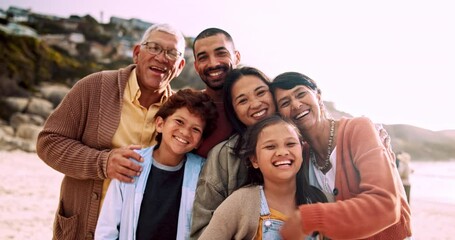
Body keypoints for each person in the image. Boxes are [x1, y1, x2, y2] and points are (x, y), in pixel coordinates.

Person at [36, 23, 186, 239]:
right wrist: (103, 163)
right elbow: (48, 142)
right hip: (82, 227)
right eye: (154, 47)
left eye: (171, 53)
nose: (161, 58)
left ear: (180, 66)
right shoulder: (93, 87)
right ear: (137, 53)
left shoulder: (179, 112)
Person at [270, 72, 412, 239]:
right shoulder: (302, 155)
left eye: (301, 94)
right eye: (285, 102)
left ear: (318, 96)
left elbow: (386, 206)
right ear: (281, 116)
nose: (295, 104)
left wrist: (309, 218)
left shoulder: (358, 129)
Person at [95, 89, 218, 240]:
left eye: (195, 129)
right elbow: (107, 229)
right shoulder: (131, 163)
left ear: (199, 142)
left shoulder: (202, 172)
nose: (185, 133)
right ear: (160, 124)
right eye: (179, 121)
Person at [199, 115, 324, 240]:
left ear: (301, 150)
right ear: (254, 160)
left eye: (290, 144)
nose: (282, 152)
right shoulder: (240, 202)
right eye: (270, 146)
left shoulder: (320, 202)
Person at [190, 66, 278, 239]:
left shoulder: (300, 144)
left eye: (261, 93)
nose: (255, 104)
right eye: (243, 100)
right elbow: (202, 230)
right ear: (234, 111)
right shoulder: (224, 156)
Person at [192, 27, 241, 158]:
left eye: (221, 53)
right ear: (196, 67)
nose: (213, 63)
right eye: (203, 58)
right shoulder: (188, 107)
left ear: (237, 57)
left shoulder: (256, 105)